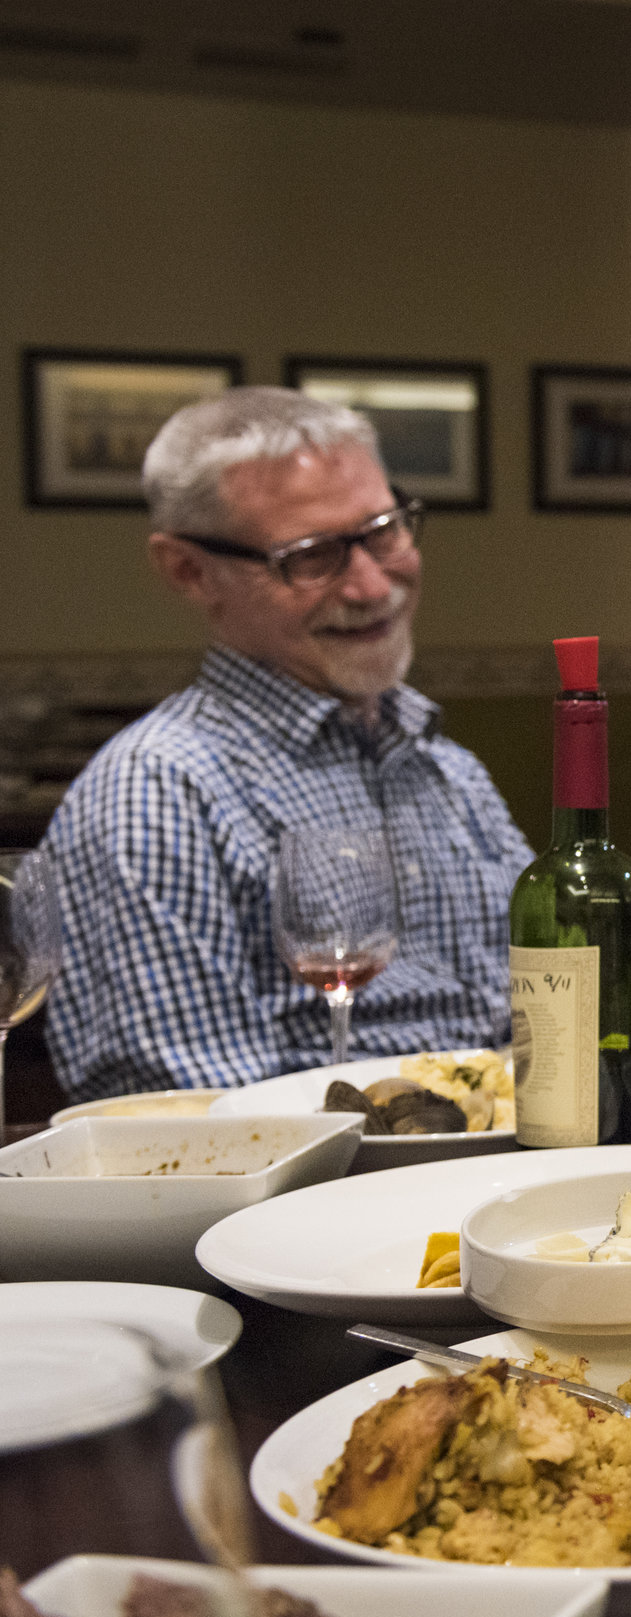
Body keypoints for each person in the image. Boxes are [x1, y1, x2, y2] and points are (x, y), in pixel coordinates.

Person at [43, 387, 534, 1100]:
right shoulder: (158, 791)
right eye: (312, 556)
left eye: (384, 530)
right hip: (334, 1198)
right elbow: (194, 1126)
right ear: (189, 571)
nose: (370, 585)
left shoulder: (448, 770)